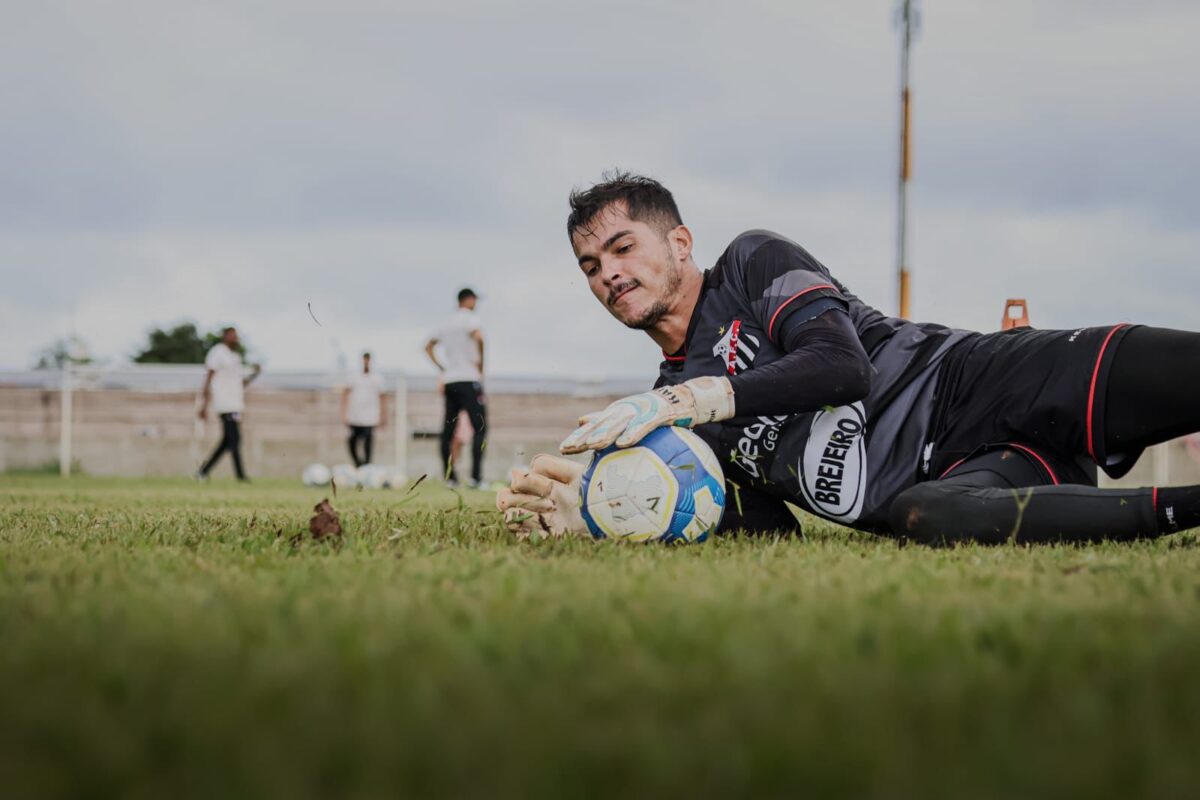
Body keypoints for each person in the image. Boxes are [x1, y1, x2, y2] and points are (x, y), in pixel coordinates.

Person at [498, 172, 1200, 544]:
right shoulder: (671, 415)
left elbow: (842, 368)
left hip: (992, 378)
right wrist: (601, 508)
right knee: (924, 518)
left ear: (679, 243)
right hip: (972, 475)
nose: (607, 274)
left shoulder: (750, 263)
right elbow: (767, 525)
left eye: (622, 248)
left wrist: (694, 399)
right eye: (590, 265)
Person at [425, 288, 487, 488]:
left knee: (448, 431)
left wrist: (442, 368)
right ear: (467, 300)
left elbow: (428, 346)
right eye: (475, 300)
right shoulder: (469, 319)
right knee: (481, 428)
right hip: (469, 379)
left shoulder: (446, 322)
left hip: (451, 381)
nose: (476, 304)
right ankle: (476, 478)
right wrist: (480, 364)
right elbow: (479, 338)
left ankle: (450, 478)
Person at [197, 327, 260, 481]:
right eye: (233, 336)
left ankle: (203, 472)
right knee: (234, 440)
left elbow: (239, 383)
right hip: (224, 404)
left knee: (228, 441)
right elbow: (208, 378)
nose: (236, 339)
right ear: (225, 337)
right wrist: (203, 404)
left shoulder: (235, 357)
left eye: (237, 336)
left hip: (235, 404)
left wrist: (254, 375)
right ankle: (240, 476)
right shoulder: (217, 353)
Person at [341, 351, 387, 467]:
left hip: (370, 416)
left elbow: (383, 397)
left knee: (368, 440)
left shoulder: (377, 378)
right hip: (355, 416)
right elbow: (345, 393)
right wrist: (344, 413)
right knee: (352, 440)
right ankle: (357, 463)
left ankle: (367, 465)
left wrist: (383, 415)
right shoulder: (353, 376)